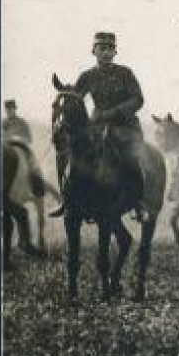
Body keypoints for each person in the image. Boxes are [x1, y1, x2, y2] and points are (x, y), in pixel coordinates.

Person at [51, 32, 147, 220]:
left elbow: (138, 99)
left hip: (125, 127)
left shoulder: (125, 73)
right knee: (68, 153)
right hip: (96, 125)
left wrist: (113, 113)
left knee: (131, 157)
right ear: (94, 51)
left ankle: (138, 201)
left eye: (110, 48)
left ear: (115, 52)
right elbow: (75, 100)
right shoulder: (87, 76)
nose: (106, 52)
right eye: (101, 48)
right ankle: (67, 199)